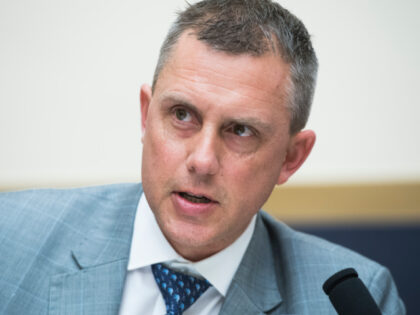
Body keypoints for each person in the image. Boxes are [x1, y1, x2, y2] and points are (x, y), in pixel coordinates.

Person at [0, 0, 405, 314]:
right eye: (182, 116)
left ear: (291, 157)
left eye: (240, 130)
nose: (202, 160)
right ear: (146, 115)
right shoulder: (11, 238)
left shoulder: (354, 299)